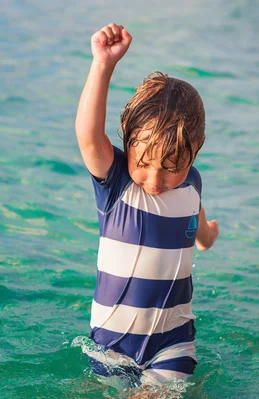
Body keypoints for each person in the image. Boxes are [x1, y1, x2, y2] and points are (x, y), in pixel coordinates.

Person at [75, 23, 219, 393]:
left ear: (195, 152)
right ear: (127, 148)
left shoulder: (192, 182)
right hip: (112, 345)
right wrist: (103, 64)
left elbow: (195, 216)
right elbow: (88, 134)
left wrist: (205, 236)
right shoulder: (117, 183)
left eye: (171, 168)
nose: (155, 180)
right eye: (144, 164)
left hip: (174, 343)